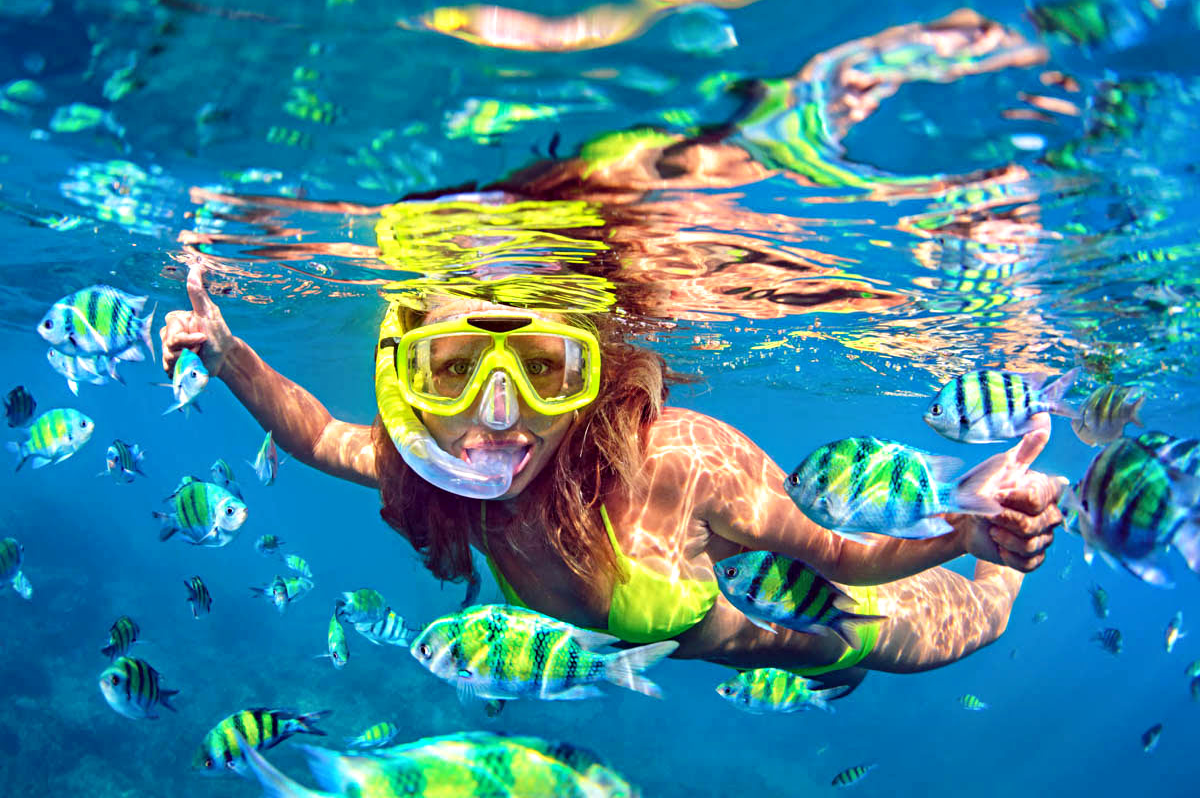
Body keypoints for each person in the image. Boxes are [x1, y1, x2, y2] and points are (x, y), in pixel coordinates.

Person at [161, 263, 1064, 688]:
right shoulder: (438, 479)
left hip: (846, 629)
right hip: (735, 647)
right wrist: (229, 354)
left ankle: (1009, 524)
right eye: (453, 370)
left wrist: (966, 534)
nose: (495, 415)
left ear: (594, 378)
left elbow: (845, 552)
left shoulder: (678, 461)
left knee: (980, 620)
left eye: (545, 369)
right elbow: (319, 436)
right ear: (408, 377)